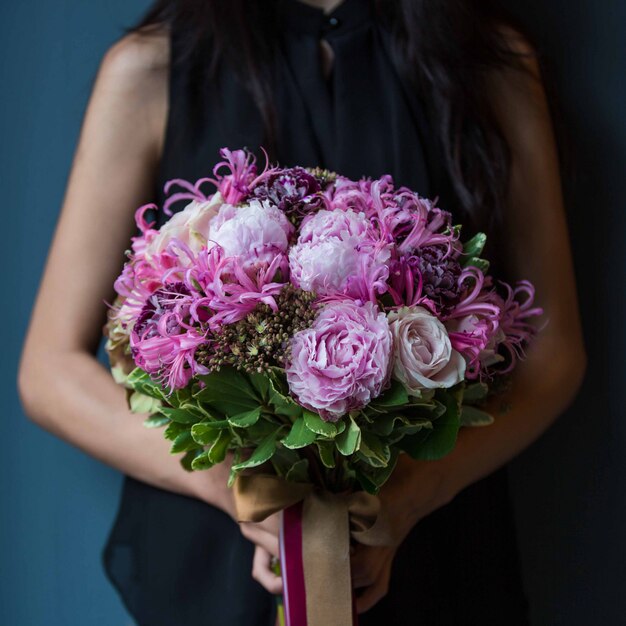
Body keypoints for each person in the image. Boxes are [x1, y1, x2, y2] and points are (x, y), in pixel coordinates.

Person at [18, 0, 586, 624]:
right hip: (215, 572)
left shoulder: (489, 62)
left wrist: (406, 500)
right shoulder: (153, 65)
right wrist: (246, 490)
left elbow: (553, 352)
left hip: (436, 551)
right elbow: (49, 368)